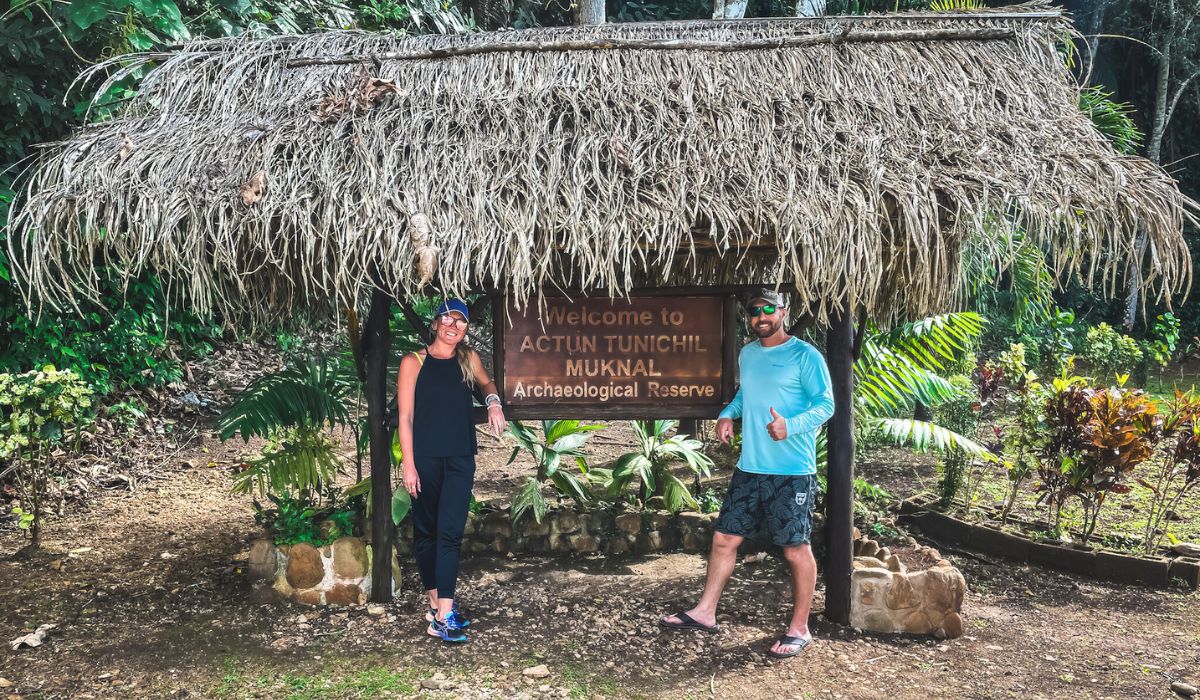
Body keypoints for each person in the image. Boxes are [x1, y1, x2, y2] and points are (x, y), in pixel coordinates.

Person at [660, 289, 834, 658]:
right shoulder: (749, 353)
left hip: (791, 472)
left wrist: (792, 425)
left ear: (783, 312)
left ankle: (800, 628)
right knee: (724, 539)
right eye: (755, 311)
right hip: (749, 469)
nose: (761, 316)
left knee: (794, 547)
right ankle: (705, 612)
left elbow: (826, 404)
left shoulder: (805, 356)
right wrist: (727, 413)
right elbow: (746, 394)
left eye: (768, 309)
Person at [396, 298, 506, 644]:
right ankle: (435, 605)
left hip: (460, 458)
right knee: (426, 533)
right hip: (424, 459)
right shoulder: (413, 363)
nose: (453, 325)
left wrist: (492, 402)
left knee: (450, 533)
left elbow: (487, 384)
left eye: (460, 321)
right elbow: (406, 418)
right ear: (435, 323)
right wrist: (409, 464)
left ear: (466, 329)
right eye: (447, 318)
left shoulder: (467, 359)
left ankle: (444, 613)